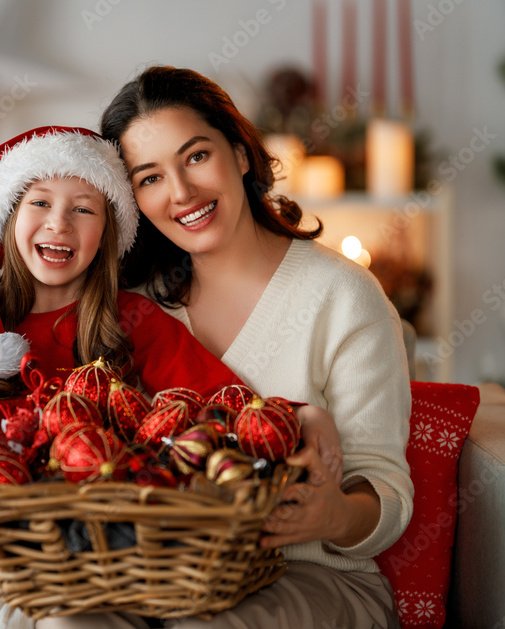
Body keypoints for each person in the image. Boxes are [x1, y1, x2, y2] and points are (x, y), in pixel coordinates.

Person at [0, 126, 286, 629]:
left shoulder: (131, 320)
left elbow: (221, 397)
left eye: (83, 209)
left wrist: (301, 417)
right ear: (9, 217)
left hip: (93, 534)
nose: (59, 224)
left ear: (107, 232)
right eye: (39, 202)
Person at [33, 67, 413, 628]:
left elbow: (386, 492)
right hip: (154, 571)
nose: (182, 193)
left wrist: (332, 516)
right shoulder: (132, 308)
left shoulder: (342, 295)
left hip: (308, 575)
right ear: (132, 198)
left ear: (239, 153)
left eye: (195, 157)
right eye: (150, 177)